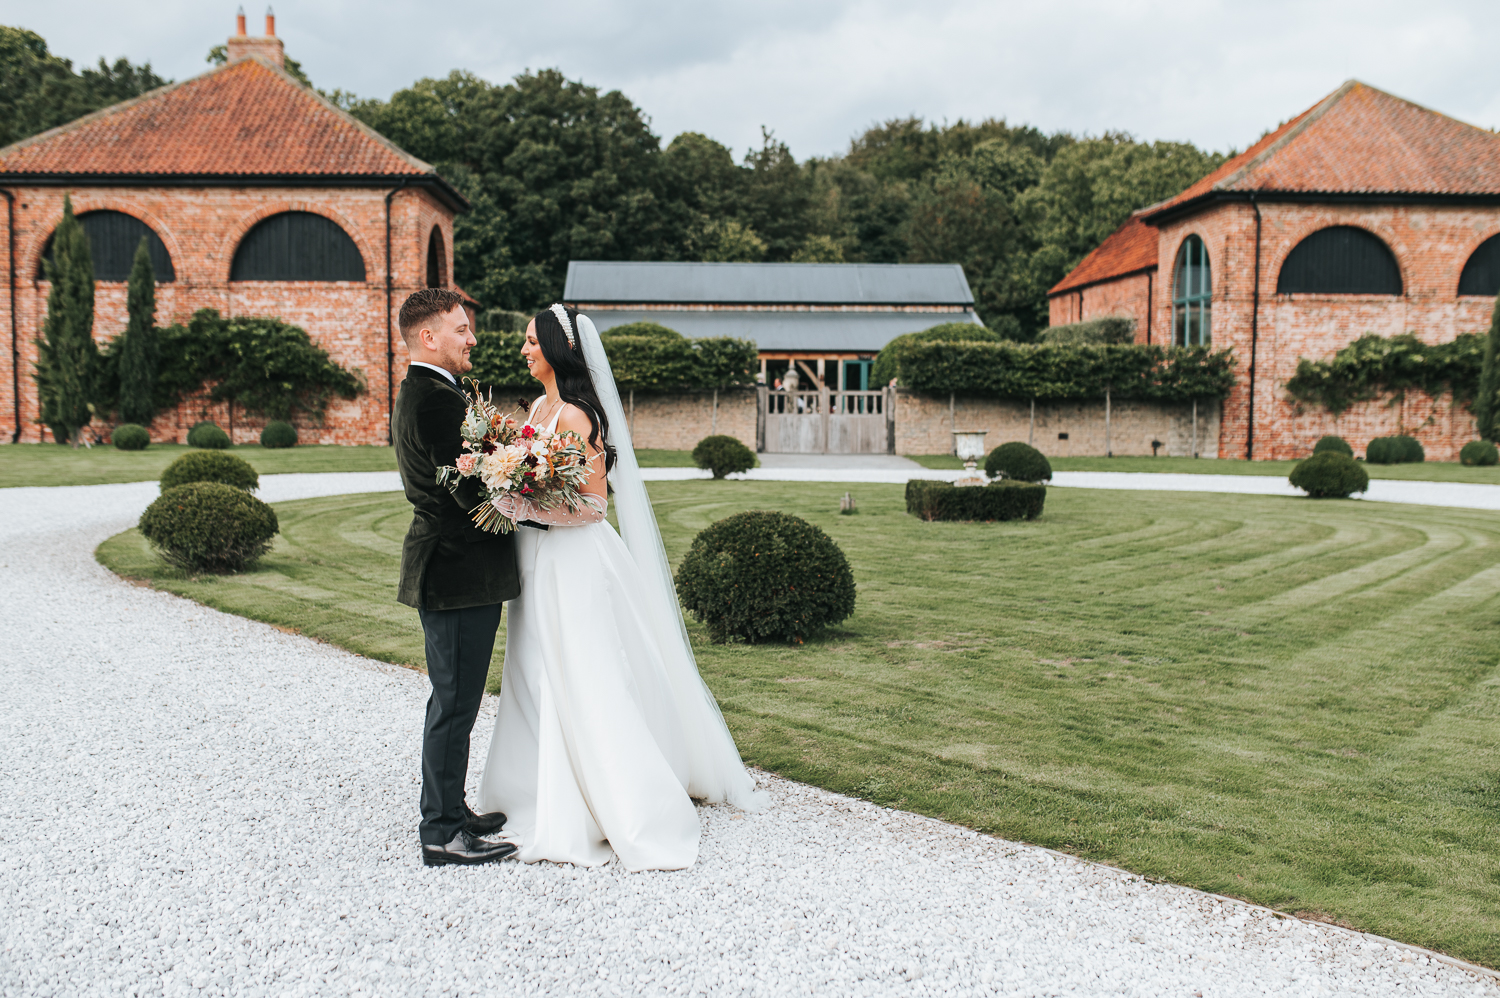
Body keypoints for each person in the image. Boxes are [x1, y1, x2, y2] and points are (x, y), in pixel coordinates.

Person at [477, 303, 766, 871]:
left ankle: (614, 801)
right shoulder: (537, 406)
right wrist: (507, 489)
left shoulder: (582, 415)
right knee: (534, 671)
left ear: (559, 349)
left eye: (532, 341)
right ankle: (528, 791)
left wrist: (523, 506)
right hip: (535, 561)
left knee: (586, 674)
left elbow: (590, 507)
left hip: (575, 562)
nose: (524, 350)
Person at [391, 289, 520, 868]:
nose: (472, 339)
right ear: (429, 337)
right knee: (454, 703)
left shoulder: (435, 391)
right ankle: (441, 831)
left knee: (456, 700)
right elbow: (467, 488)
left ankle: (450, 809)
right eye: (462, 330)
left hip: (454, 568)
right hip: (455, 569)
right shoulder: (433, 400)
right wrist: (526, 486)